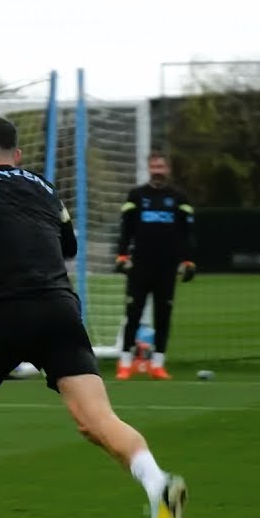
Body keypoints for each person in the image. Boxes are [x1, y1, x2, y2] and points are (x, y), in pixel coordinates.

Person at [0, 116, 188, 518]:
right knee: (96, 420)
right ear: (18, 156)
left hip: (8, 312)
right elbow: (69, 244)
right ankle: (157, 482)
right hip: (62, 311)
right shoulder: (45, 188)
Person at [113, 152, 196, 381]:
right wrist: (121, 255)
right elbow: (126, 229)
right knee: (133, 313)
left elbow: (187, 233)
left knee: (163, 314)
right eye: (154, 166)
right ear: (149, 168)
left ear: (167, 169)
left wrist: (188, 260)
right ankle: (125, 363)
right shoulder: (137, 195)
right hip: (140, 264)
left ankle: (158, 364)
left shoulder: (179, 197)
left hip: (167, 266)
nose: (157, 170)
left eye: (161, 166)